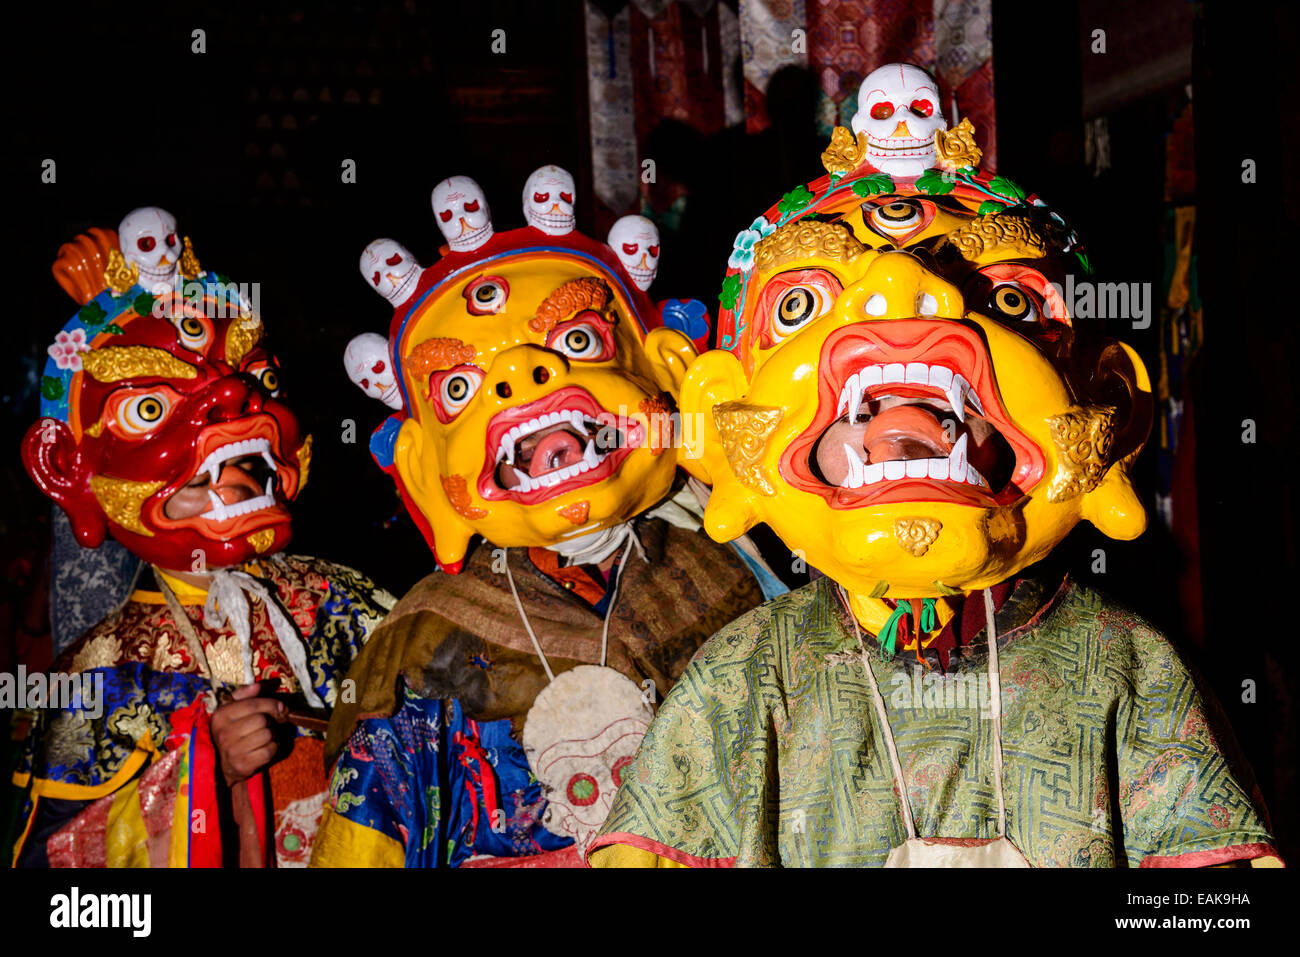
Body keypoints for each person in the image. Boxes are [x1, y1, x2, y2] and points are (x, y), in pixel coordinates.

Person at [588, 65, 1281, 868]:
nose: (904, 288)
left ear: (1112, 410)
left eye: (1010, 301)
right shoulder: (745, 675)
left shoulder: (1127, 665)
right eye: (801, 306)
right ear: (719, 422)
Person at [309, 169, 774, 867]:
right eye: (460, 388)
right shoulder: (422, 643)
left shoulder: (756, 574)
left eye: (580, 343)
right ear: (422, 472)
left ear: (670, 377)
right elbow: (365, 839)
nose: (524, 375)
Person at [13, 211, 393, 867]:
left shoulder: (354, 606)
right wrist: (201, 775)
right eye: (151, 407)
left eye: (261, 378)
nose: (234, 399)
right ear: (67, 468)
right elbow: (55, 872)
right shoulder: (95, 676)